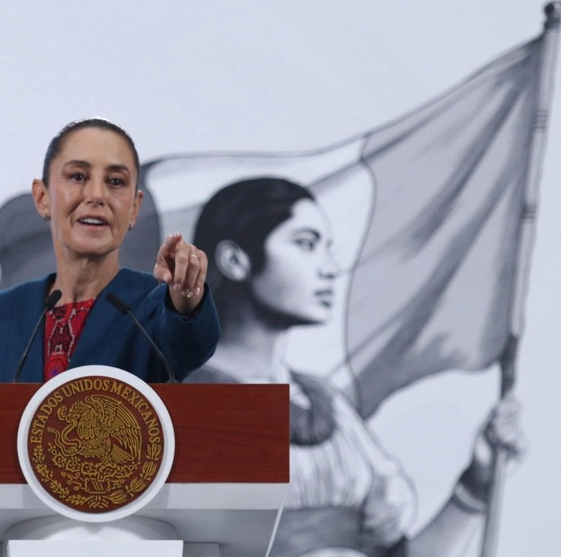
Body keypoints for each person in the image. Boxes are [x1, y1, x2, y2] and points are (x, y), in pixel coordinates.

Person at [185, 177, 525, 557]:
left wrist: (476, 485)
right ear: (235, 260)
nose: (331, 268)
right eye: (306, 244)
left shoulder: (325, 402)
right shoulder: (180, 406)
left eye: (328, 249)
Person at [0, 118, 220, 497]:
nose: (97, 194)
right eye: (78, 176)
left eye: (116, 181)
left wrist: (186, 298)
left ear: (135, 207)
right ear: (42, 198)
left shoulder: (154, 305)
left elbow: (188, 343)